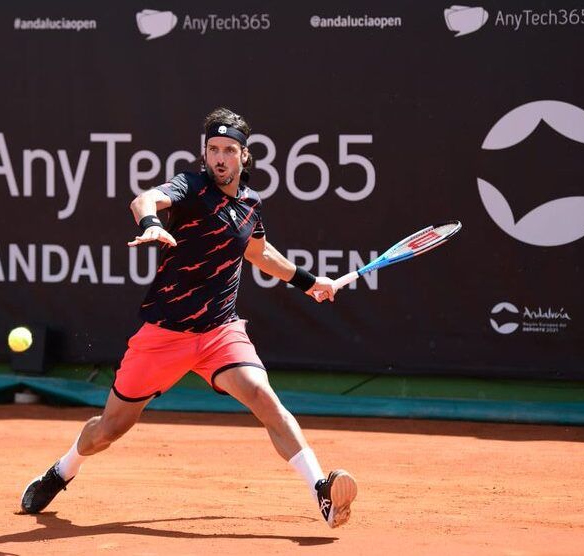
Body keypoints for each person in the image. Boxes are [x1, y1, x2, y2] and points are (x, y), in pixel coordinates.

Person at [20, 107, 357, 528]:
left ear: (244, 156)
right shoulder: (192, 186)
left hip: (220, 331)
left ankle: (322, 492)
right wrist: (150, 222)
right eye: (213, 149)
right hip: (165, 333)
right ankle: (63, 470)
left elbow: (258, 252)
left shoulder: (251, 205)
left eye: (229, 150)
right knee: (109, 429)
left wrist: (308, 282)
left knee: (263, 397)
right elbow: (145, 199)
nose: (219, 158)